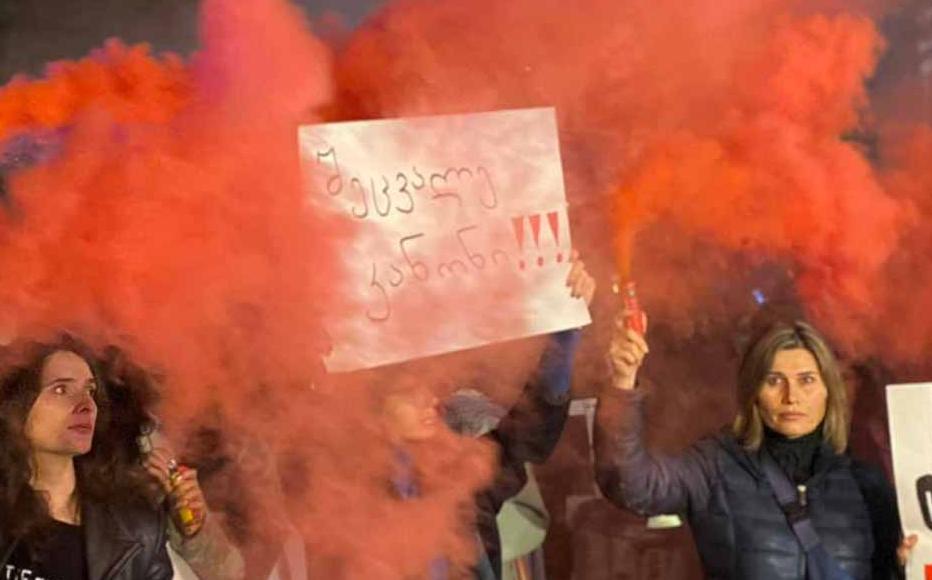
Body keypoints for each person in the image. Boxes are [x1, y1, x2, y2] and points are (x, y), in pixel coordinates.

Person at [596, 314, 915, 579]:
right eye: (774, 380)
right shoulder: (715, 466)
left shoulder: (866, 486)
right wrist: (622, 385)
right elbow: (632, 485)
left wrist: (903, 568)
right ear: (753, 392)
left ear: (828, 391)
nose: (792, 396)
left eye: (806, 380)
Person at [381, 254, 596, 579]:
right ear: (371, 408)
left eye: (430, 387)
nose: (431, 401)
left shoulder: (461, 476)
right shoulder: (340, 494)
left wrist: (565, 331)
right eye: (409, 392)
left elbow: (526, 437)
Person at [0, 335, 173, 579]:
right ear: (16, 406)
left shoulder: (137, 527)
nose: (86, 405)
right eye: (61, 389)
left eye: (90, 391)